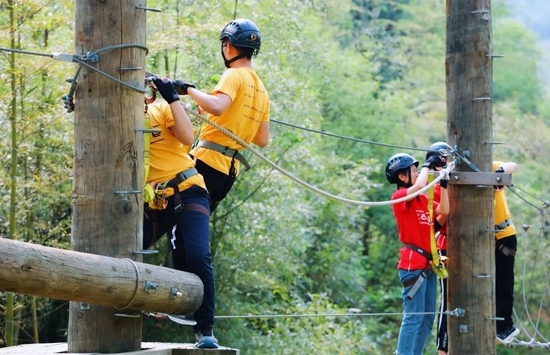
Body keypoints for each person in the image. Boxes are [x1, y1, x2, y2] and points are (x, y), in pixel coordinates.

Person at [142, 76, 218, 349]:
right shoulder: (114, 122)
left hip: (188, 189)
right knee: (126, 249)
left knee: (197, 255)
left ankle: (205, 328)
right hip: (157, 201)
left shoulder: (160, 111)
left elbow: (187, 137)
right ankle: (139, 303)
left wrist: (172, 98)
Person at [186, 18, 270, 212]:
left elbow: (217, 107)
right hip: (227, 174)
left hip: (207, 162)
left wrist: (188, 89)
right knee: (193, 227)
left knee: (172, 221)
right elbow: (262, 139)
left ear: (228, 45)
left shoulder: (234, 75)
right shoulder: (262, 91)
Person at [385, 152, 449, 355]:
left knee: (427, 317)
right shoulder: (399, 198)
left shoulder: (422, 200)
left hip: (428, 265)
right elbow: (420, 185)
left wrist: (445, 185)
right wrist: (428, 166)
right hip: (412, 264)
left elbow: (445, 211)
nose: (418, 172)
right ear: (402, 177)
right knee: (413, 317)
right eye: (413, 170)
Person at [425, 142, 453, 355]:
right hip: (445, 246)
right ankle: (442, 349)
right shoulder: (433, 187)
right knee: (447, 299)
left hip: (465, 246)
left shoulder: (453, 183)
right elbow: (440, 218)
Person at [493, 160, 520, 344]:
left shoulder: (490, 166)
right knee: (489, 282)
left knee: (504, 282)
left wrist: (499, 174)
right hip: (485, 238)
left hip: (504, 236)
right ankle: (496, 324)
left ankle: (505, 326)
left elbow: (513, 165)